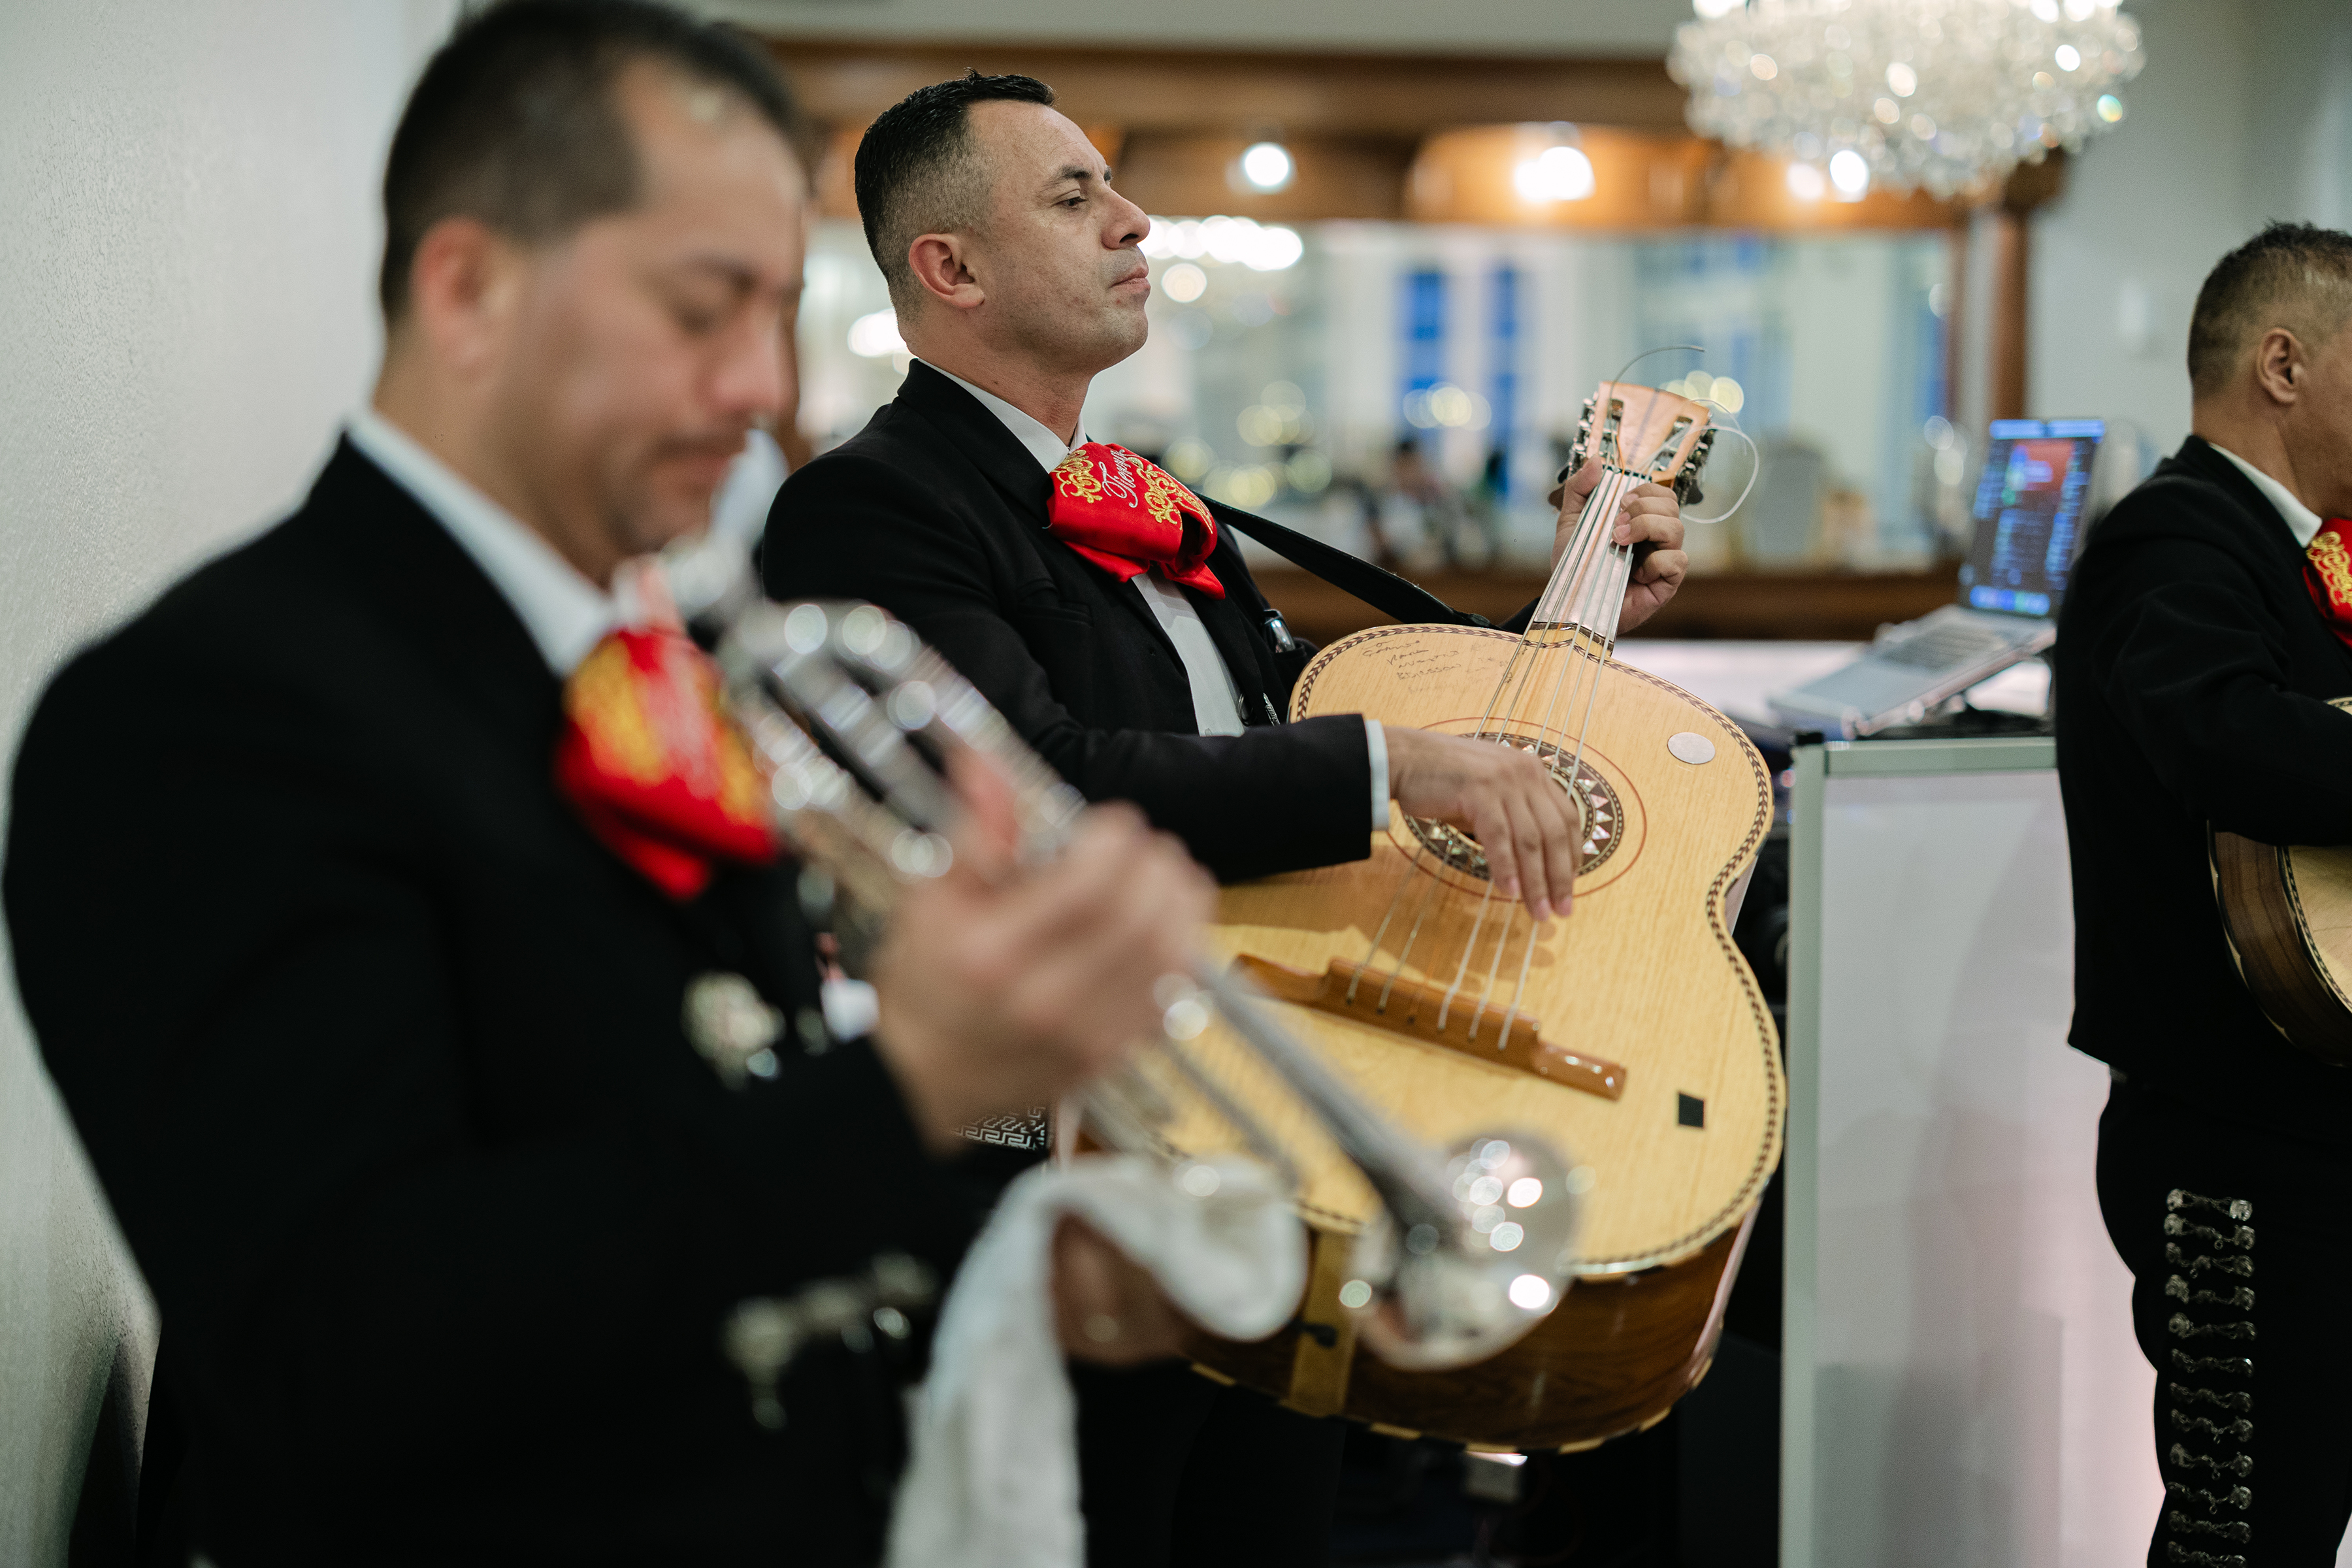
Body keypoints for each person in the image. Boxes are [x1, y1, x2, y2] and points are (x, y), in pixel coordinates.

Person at [2, 7, 1205, 1561]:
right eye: (703, 309)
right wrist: (904, 1098)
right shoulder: (203, 710)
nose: (757, 384)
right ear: (468, 288)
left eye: (777, 315)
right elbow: (345, 1343)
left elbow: (664, 1151)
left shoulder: (645, 665)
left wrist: (973, 1265)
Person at [761, 70, 1690, 1568]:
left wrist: (1568, 617)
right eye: (1074, 198)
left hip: (1260, 1140)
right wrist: (1391, 764)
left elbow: (1262, 726)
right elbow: (1040, 783)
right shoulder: (870, 506)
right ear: (951, 267)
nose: (1134, 222)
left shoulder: (1142, 493)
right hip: (1058, 1162)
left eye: (1114, 189)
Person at [2055, 220, 2352, 1567]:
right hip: (2237, 1142)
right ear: (2282, 364)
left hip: (2323, 1112)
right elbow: (2222, 735)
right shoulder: (2174, 536)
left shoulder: (2315, 548)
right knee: (2250, 1535)